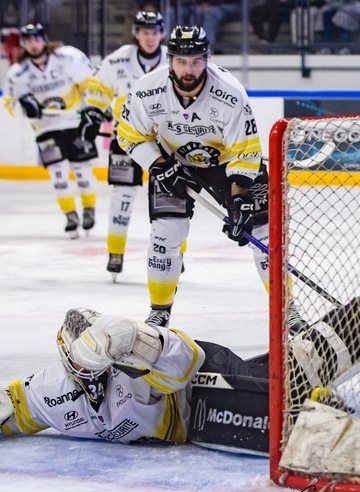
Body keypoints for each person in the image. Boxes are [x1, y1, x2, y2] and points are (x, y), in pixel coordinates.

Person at [0, 299, 360, 452]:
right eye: (83, 364)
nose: (96, 373)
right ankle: (356, 323)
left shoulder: (132, 354)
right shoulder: (52, 391)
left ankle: (316, 413)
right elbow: (11, 404)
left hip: (198, 386)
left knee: (264, 401)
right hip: (183, 425)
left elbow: (184, 360)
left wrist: (135, 339)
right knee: (287, 366)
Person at [115, 25, 307, 333]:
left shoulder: (229, 94)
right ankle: (159, 311)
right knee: (165, 237)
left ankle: (288, 311)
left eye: (195, 61)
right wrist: (158, 164)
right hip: (172, 163)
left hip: (227, 164)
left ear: (207, 59)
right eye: (180, 61)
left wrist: (240, 199)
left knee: (264, 233)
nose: (188, 69)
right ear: (169, 59)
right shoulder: (146, 89)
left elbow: (244, 152)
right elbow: (128, 135)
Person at [86, 11, 167, 281]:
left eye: (154, 32)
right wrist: (95, 113)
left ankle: (176, 253)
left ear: (162, 33)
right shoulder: (119, 58)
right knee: (122, 197)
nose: (150, 37)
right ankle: (115, 252)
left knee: (172, 200)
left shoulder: (173, 58)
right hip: (125, 139)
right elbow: (98, 88)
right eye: (144, 32)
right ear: (136, 32)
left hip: (166, 143)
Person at [5, 23, 106, 239]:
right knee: (58, 173)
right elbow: (9, 103)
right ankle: (70, 215)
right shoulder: (18, 73)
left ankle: (89, 208)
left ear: (45, 39)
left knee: (83, 172)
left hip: (75, 122)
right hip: (46, 129)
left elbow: (92, 85)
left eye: (37, 39)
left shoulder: (69, 58)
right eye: (28, 41)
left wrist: (95, 109)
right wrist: (24, 104)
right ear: (23, 44)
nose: (33, 45)